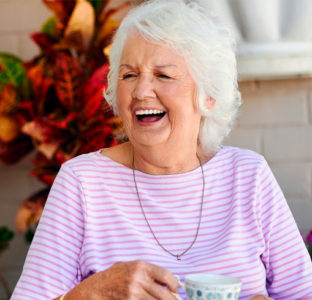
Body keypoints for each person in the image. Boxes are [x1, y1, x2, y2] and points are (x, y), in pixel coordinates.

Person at [11, 0, 312, 299]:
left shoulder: (248, 176)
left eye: (163, 75)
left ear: (209, 95)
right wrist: (88, 295)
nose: (141, 92)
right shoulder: (82, 183)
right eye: (129, 75)